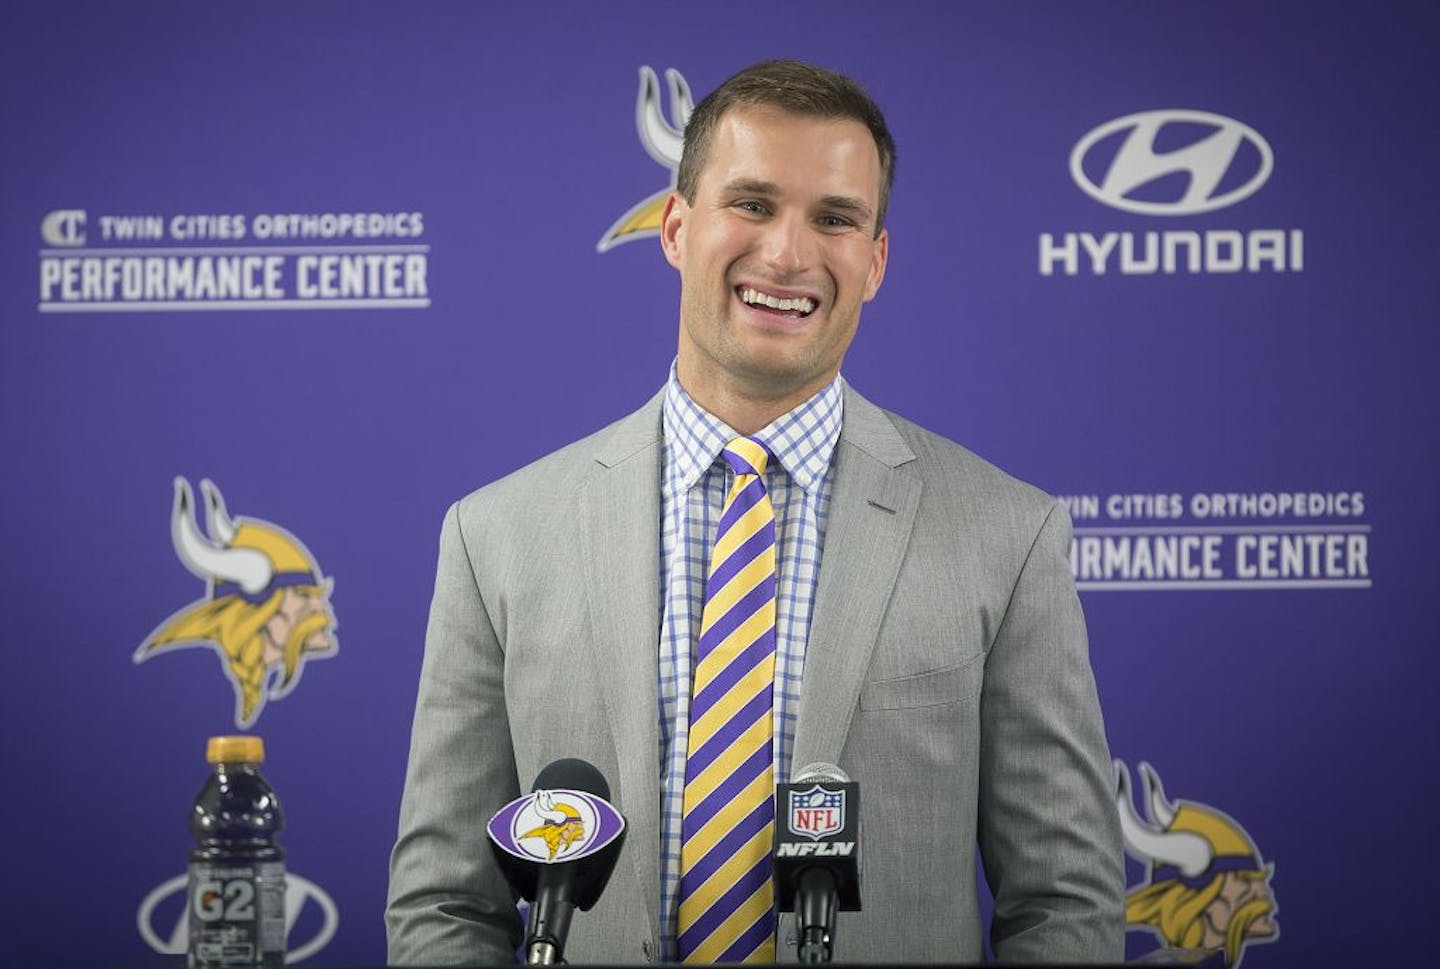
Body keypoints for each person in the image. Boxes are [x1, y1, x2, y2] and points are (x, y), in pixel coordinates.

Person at [386, 59, 1124, 965]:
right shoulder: (494, 535)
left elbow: (1063, 900)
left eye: (836, 218)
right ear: (674, 227)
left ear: (876, 262)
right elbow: (445, 903)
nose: (787, 253)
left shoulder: (1009, 537)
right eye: (752, 203)